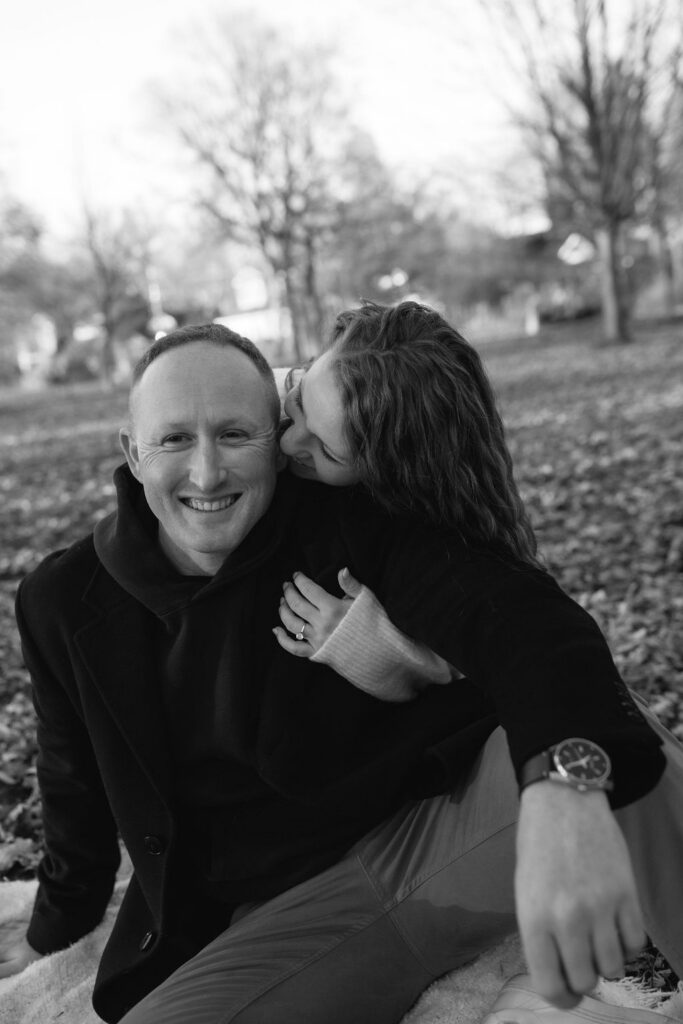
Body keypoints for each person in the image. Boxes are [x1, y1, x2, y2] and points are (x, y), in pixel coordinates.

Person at [0, 319, 679, 1024]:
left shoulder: (349, 518)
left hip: (436, 834)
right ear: (132, 453)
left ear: (276, 439)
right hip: (291, 915)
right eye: (174, 438)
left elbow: (527, 626)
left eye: (236, 434)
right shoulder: (63, 601)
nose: (206, 472)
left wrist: (564, 788)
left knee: (603, 740)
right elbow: (70, 778)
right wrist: (54, 925)